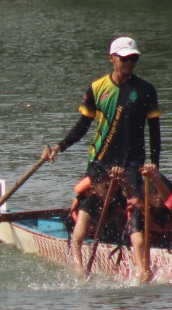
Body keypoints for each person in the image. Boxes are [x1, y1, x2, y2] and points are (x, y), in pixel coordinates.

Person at [41, 35, 162, 269]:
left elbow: (155, 131)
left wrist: (154, 162)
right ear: (112, 59)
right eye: (125, 59)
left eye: (133, 59)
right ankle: (79, 267)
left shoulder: (146, 90)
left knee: (135, 204)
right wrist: (59, 147)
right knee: (90, 202)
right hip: (101, 159)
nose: (130, 63)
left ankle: (142, 268)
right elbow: (82, 126)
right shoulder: (97, 88)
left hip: (132, 161)